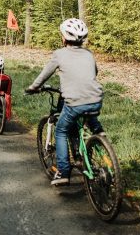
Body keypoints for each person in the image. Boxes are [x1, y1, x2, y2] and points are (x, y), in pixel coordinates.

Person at [25, 18, 105, 186]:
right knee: (86, 110)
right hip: (96, 99)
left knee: (61, 131)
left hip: (74, 102)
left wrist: (33, 87)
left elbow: (45, 74)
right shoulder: (89, 54)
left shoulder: (59, 54)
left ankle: (63, 171)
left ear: (63, 37)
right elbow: (93, 72)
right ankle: (98, 131)